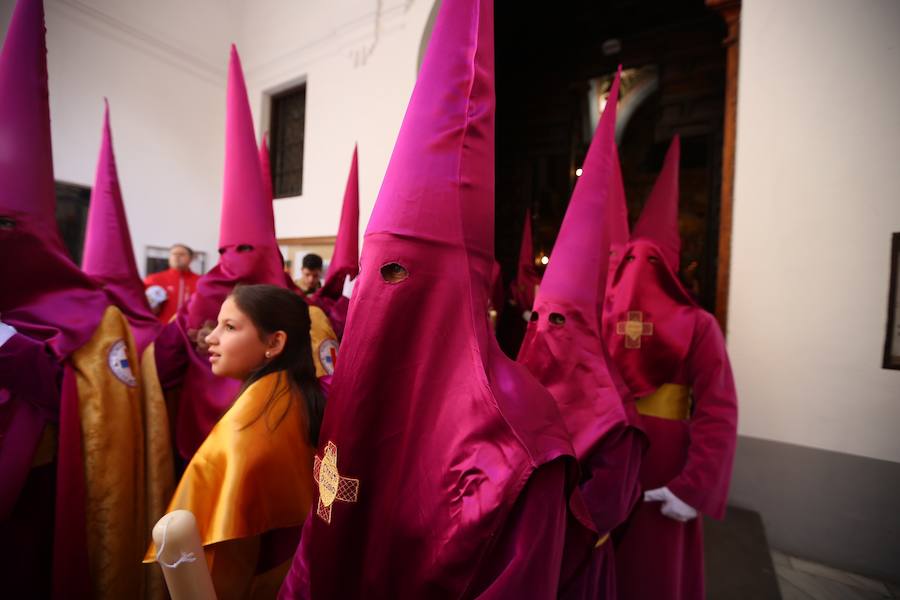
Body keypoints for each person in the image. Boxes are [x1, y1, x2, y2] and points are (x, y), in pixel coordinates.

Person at [278, 0, 594, 597]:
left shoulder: (521, 434)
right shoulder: (352, 391)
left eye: (399, 271)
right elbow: (316, 544)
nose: (380, 292)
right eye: (374, 272)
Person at [517, 68, 646, 599]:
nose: (546, 332)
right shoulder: (519, 385)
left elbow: (605, 509)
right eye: (540, 318)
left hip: (573, 570)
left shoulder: (616, 420)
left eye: (561, 321)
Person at [603, 137, 738, 600]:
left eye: (652, 261)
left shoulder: (700, 326)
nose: (641, 270)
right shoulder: (606, 322)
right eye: (631, 260)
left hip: (666, 468)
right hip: (614, 458)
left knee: (656, 573)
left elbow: (718, 411)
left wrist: (693, 487)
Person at [147, 284, 322, 600]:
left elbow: (225, 563)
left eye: (229, 327)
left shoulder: (248, 431)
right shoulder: (293, 397)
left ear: (275, 342)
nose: (211, 338)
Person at [144, 243, 201, 324]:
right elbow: (144, 309)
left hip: (190, 331)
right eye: (173, 254)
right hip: (162, 329)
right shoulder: (153, 279)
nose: (177, 256)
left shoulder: (201, 281)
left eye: (181, 254)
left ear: (191, 258)